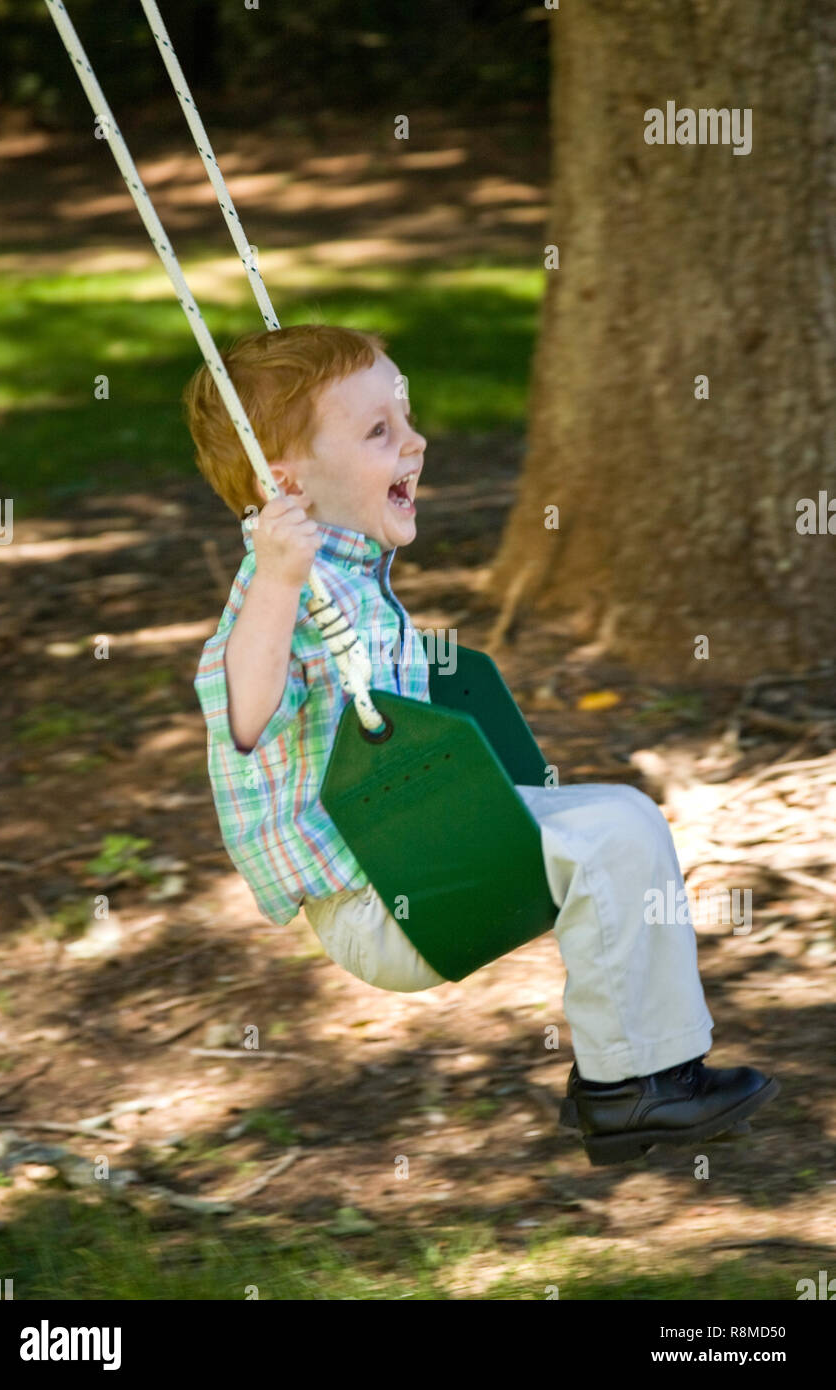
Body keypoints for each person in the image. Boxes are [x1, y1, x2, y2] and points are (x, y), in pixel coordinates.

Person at [185, 323, 779, 1166]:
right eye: (379, 431)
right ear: (283, 483)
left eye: (408, 417)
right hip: (381, 900)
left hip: (417, 856)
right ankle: (626, 1093)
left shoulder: (346, 571)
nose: (416, 442)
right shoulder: (277, 596)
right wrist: (278, 580)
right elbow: (244, 713)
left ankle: (648, 1073)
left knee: (627, 816)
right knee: (607, 839)